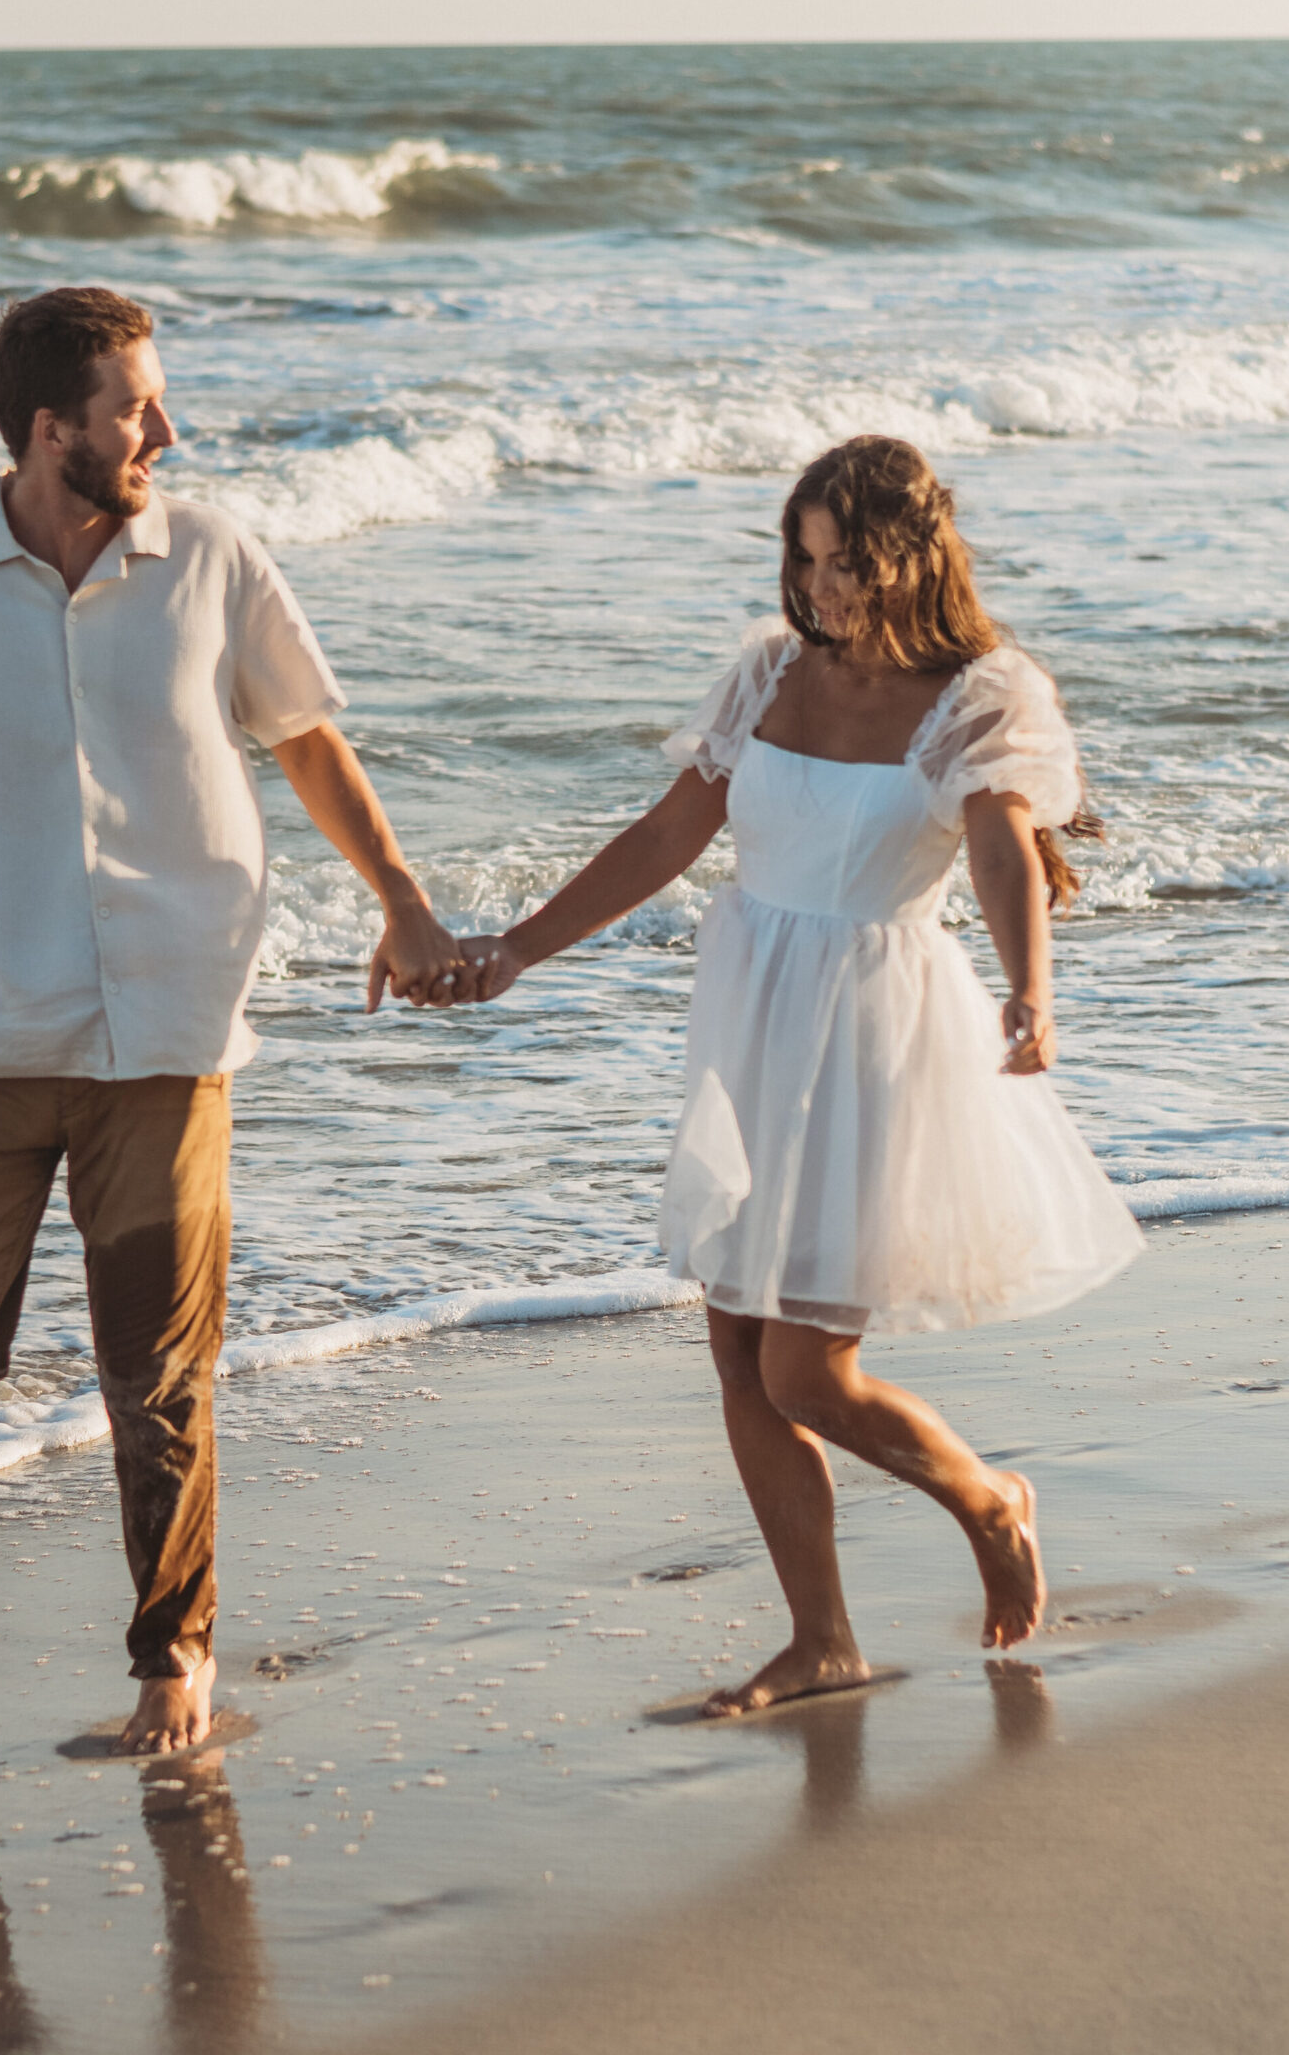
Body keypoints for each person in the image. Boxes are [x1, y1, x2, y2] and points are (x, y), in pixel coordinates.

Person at [0, 285, 464, 1772]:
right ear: (50, 431)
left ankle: (178, 1660)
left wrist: (402, 898)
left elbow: (305, 738)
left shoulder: (211, 556)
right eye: (136, 407)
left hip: (168, 1028)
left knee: (153, 1379)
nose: (167, 427)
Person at [460, 435, 1143, 1708]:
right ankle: (821, 1637)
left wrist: (1032, 988)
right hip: (751, 1020)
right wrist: (516, 949)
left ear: (907, 556)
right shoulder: (768, 676)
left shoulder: (980, 694)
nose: (819, 588)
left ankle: (986, 1496)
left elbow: (1000, 848)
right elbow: (668, 832)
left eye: (844, 562)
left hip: (875, 1030)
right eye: (804, 558)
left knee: (802, 1370)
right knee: (736, 1362)